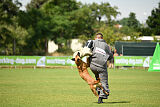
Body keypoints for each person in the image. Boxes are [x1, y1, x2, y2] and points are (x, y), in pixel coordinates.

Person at [85, 33, 113, 104]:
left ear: (96, 38)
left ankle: (98, 91)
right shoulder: (106, 45)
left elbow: (87, 51)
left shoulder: (93, 42)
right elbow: (110, 56)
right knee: (104, 81)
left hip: (93, 66)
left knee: (98, 80)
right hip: (101, 67)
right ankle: (102, 96)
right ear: (102, 38)